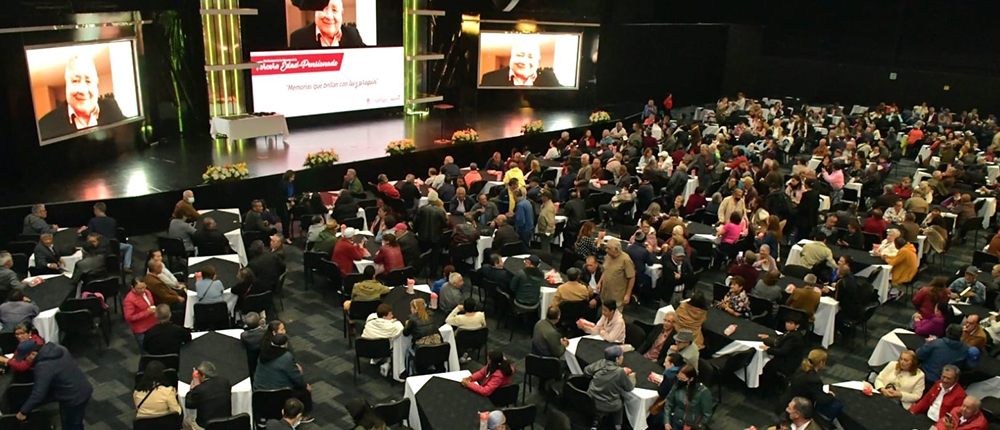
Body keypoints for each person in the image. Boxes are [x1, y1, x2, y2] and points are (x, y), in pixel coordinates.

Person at [36, 54, 126, 141]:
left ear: (96, 83)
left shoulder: (111, 107)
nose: (83, 90)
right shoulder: (45, 126)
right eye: (75, 81)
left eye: (88, 81)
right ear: (67, 83)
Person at [14, 341, 93, 430]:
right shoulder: (59, 349)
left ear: (32, 354)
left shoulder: (43, 366)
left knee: (71, 425)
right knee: (76, 421)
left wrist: (23, 412)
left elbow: (38, 394)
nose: (25, 361)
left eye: (25, 358)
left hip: (72, 397)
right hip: (83, 388)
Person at [255, 334, 313, 419]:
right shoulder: (286, 357)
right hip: (281, 394)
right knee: (305, 391)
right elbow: (296, 378)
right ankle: (304, 416)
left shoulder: (263, 354)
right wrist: (304, 385)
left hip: (260, 393)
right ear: (285, 344)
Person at [583, 346, 636, 430]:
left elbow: (586, 371)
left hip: (591, 398)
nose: (623, 357)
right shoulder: (619, 372)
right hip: (608, 404)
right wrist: (632, 377)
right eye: (622, 356)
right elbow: (629, 387)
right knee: (620, 403)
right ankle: (618, 426)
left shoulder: (601, 363)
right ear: (617, 359)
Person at [782, 349, 842, 421]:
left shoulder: (802, 369)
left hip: (788, 401)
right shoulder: (813, 380)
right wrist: (831, 395)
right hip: (799, 408)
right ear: (821, 362)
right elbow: (822, 400)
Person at [480, 38, 562, 87]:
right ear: (511, 56)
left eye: (530, 57)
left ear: (538, 60)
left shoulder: (549, 78)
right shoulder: (490, 79)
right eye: (520, 55)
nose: (524, 61)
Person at [288, 0, 365, 48]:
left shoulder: (352, 35)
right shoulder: (298, 38)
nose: (329, 16)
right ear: (315, 12)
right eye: (323, 9)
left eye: (334, 10)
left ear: (341, 14)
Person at [661, 364, 714, 430]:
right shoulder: (678, 385)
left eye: (683, 379)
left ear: (691, 379)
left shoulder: (703, 392)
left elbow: (707, 414)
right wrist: (667, 422)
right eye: (679, 377)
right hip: (677, 421)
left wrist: (698, 427)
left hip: (693, 425)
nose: (680, 380)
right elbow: (669, 403)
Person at [186, 361, 234, 429]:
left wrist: (192, 390)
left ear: (203, 376)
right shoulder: (225, 382)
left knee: (186, 421)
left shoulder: (199, 389)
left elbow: (188, 404)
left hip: (205, 426)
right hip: (225, 422)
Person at [759, 315, 806, 381]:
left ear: (797, 326)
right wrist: (769, 336)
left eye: (791, 323)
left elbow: (782, 351)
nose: (788, 325)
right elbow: (781, 337)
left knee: (767, 364)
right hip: (787, 358)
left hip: (787, 363)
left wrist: (767, 349)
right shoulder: (790, 332)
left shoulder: (794, 337)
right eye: (787, 322)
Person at [123, 278, 158, 351]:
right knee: (145, 351)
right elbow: (129, 317)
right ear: (133, 287)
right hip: (141, 330)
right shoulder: (129, 300)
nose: (142, 290)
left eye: (144, 287)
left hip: (153, 325)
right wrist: (146, 312)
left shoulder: (147, 292)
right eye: (139, 288)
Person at [599, 238, 636, 307]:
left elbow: (632, 277)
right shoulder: (608, 256)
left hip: (617, 296)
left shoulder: (626, 259)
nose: (606, 250)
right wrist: (600, 282)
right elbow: (605, 270)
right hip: (605, 293)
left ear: (616, 249)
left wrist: (628, 294)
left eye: (608, 248)